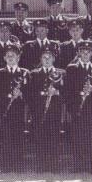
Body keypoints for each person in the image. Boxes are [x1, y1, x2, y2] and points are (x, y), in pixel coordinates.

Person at [64, 40, 92, 173]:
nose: (85, 54)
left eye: (88, 52)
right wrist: (71, 108)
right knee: (76, 137)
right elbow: (67, 90)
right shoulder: (71, 68)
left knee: (89, 136)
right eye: (83, 51)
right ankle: (77, 165)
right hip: (76, 108)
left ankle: (90, 164)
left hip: (90, 109)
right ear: (79, 53)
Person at [27, 44, 65, 173]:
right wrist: (41, 95)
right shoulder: (34, 73)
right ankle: (41, 166)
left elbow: (67, 92)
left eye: (49, 57)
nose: (47, 60)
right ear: (40, 59)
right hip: (39, 112)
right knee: (40, 139)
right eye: (44, 57)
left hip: (55, 112)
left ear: (54, 59)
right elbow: (30, 94)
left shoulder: (61, 73)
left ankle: (54, 166)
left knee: (54, 139)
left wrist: (57, 92)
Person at [0, 44, 30, 172]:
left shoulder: (24, 73)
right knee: (6, 139)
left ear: (18, 58)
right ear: (4, 58)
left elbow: (31, 93)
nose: (10, 58)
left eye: (13, 56)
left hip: (19, 111)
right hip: (4, 112)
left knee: (18, 138)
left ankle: (18, 166)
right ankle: (6, 167)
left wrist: (21, 94)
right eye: (8, 56)